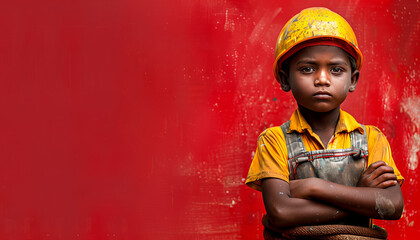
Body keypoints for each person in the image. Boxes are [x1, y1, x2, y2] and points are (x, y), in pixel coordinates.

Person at [245, 7, 404, 239]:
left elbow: (391, 205)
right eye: (307, 69)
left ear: (353, 79)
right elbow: (280, 212)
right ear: (285, 78)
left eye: (336, 70)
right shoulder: (274, 141)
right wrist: (361, 197)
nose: (322, 79)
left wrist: (312, 188)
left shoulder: (371, 138)